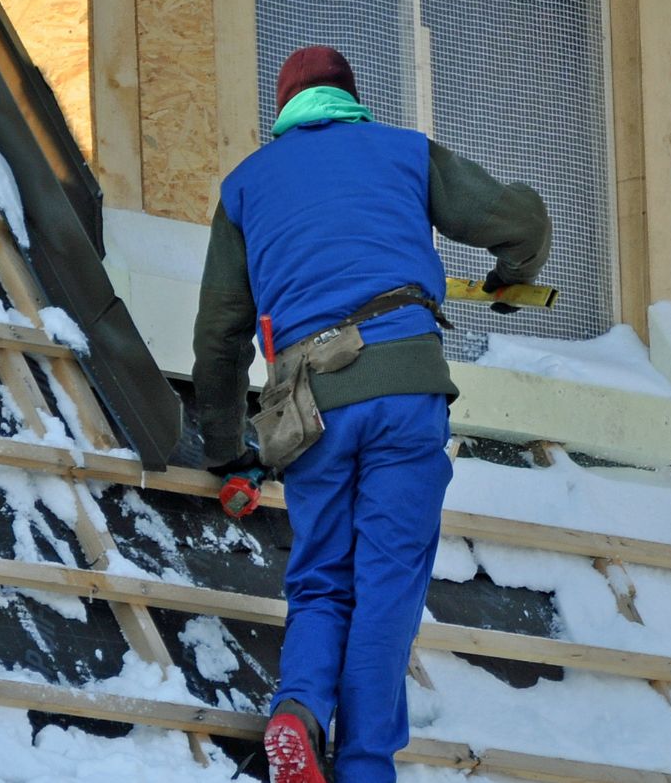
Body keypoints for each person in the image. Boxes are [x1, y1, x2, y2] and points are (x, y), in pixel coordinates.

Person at [192, 44, 551, 783]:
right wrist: (512, 279)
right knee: (387, 583)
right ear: (354, 99)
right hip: (406, 389)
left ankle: (298, 711)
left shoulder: (246, 186)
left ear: (284, 112)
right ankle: (361, 768)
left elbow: (219, 335)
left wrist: (229, 447)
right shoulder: (404, 152)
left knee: (323, 577)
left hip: (311, 404)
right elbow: (519, 218)